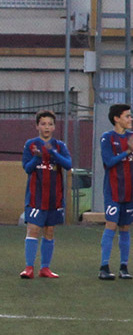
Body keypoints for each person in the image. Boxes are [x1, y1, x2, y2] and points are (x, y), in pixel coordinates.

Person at [20, 110, 71, 279]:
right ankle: (29, 268)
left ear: (54, 127)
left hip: (54, 197)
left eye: (50, 124)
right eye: (43, 124)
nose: (46, 127)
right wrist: (36, 158)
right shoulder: (31, 144)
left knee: (49, 231)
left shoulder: (60, 146)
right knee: (33, 229)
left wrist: (54, 153)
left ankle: (45, 268)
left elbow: (68, 164)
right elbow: (27, 168)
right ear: (37, 126)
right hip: (36, 196)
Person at [98, 104, 133, 280]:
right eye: (127, 116)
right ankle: (104, 266)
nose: (130, 119)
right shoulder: (107, 138)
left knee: (125, 227)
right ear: (116, 118)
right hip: (114, 189)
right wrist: (128, 150)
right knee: (111, 224)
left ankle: (124, 267)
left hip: (131, 189)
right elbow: (109, 162)